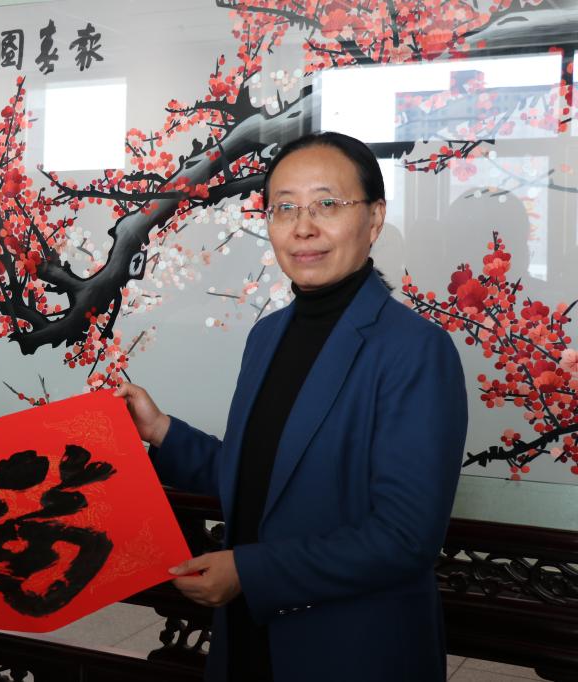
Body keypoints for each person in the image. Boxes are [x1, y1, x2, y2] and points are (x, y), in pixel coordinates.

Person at [117, 131, 468, 682]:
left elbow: (405, 538)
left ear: (374, 219)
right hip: (249, 635)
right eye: (285, 208)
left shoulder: (415, 349)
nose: (303, 227)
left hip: (352, 648)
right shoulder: (267, 336)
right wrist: (159, 429)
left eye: (327, 204)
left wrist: (249, 572)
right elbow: (262, 478)